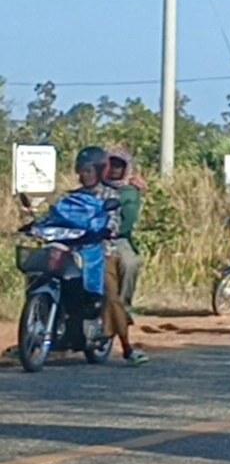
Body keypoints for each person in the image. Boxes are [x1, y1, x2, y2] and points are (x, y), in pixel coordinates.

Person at [75, 146, 147, 366]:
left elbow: (118, 222)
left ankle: (126, 344)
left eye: (90, 171)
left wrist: (106, 230)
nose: (85, 175)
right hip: (73, 247)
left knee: (111, 290)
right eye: (82, 171)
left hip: (101, 248)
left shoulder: (117, 195)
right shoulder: (75, 195)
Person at [105, 149, 145, 315]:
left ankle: (123, 308)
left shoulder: (129, 192)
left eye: (118, 166)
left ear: (126, 169)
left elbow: (128, 221)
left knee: (130, 263)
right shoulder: (94, 185)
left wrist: (110, 232)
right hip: (87, 237)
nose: (114, 169)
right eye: (111, 165)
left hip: (117, 238)